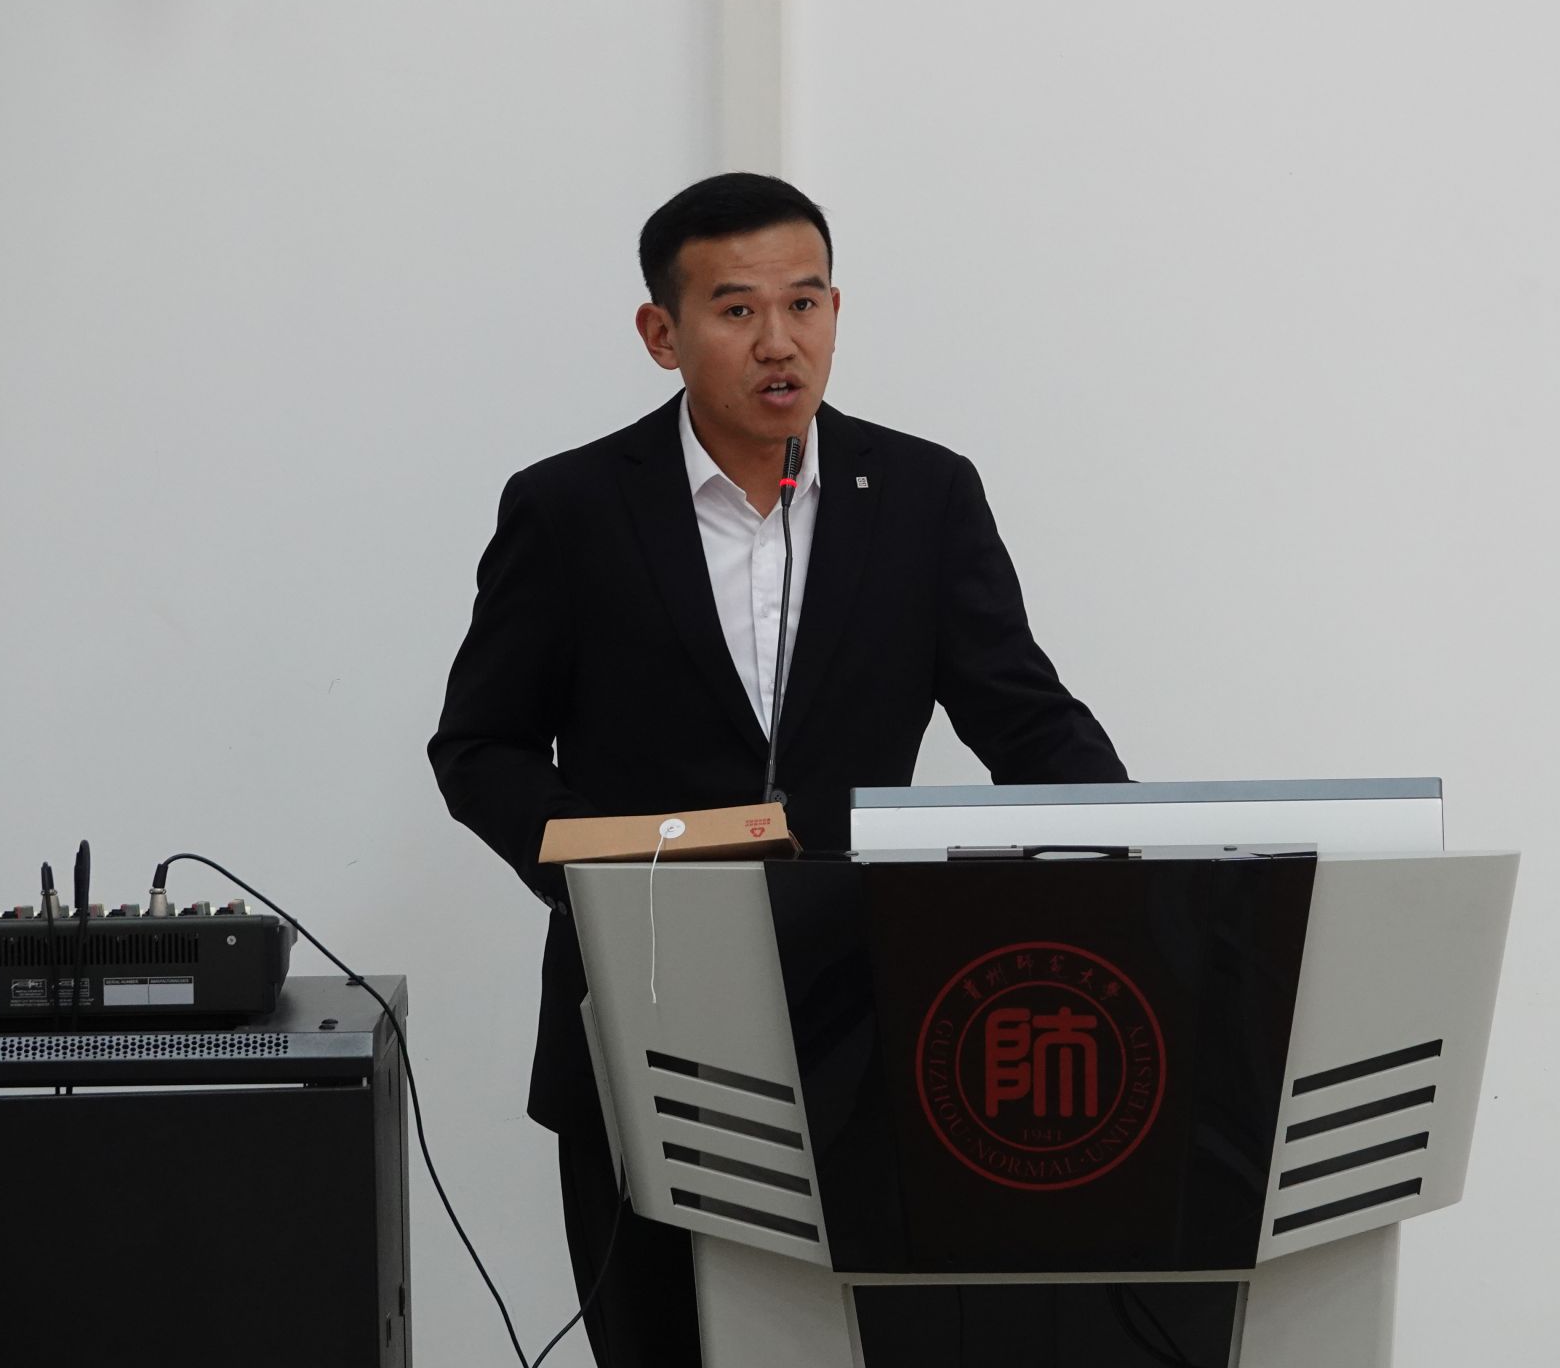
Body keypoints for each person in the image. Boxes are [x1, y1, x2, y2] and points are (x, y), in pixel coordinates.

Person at [428, 172, 1126, 1367]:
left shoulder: (921, 497)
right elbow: (480, 747)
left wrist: (1137, 859)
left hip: (877, 1018)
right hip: (642, 1001)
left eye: (803, 304)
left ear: (835, 312)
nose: (778, 342)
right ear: (661, 333)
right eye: (737, 310)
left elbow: (1025, 720)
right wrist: (605, 870)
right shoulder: (571, 507)